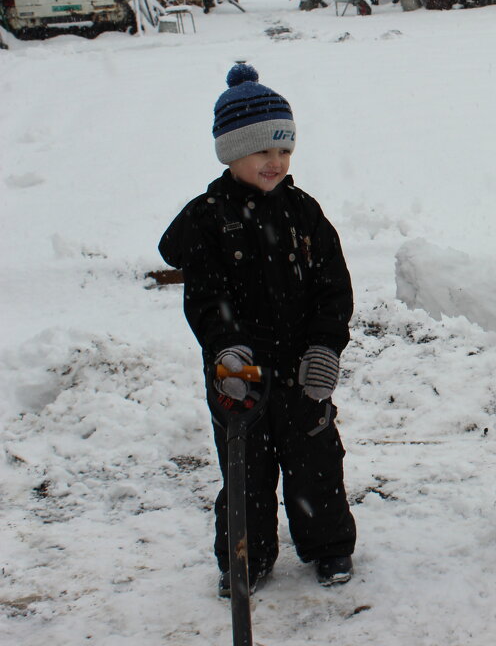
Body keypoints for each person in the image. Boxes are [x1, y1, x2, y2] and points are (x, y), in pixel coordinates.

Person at [159, 64, 357, 597]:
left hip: (300, 365)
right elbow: (205, 299)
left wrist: (324, 345)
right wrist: (227, 353)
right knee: (245, 466)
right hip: (238, 367)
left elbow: (333, 288)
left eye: (285, 152)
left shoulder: (303, 213)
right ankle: (246, 556)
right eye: (263, 151)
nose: (276, 163)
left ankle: (329, 545)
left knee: (315, 458)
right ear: (231, 152)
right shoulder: (209, 221)